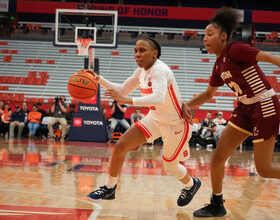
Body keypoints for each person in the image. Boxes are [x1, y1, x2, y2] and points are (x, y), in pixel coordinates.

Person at [182, 7, 280, 217]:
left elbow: (270, 58)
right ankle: (217, 203)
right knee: (217, 158)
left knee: (264, 169)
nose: (205, 39)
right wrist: (187, 104)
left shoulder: (235, 49)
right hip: (245, 108)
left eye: (210, 34)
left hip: (265, 105)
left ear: (223, 36)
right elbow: (208, 94)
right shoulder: (218, 65)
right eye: (203, 35)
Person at [85, 38, 201, 207]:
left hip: (175, 124)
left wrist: (127, 100)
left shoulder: (160, 70)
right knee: (121, 146)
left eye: (142, 50)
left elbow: (158, 98)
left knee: (170, 167)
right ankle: (110, 188)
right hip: (154, 118)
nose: (137, 54)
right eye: (136, 51)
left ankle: (191, 184)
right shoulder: (141, 71)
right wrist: (98, 79)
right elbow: (122, 90)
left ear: (155, 53)